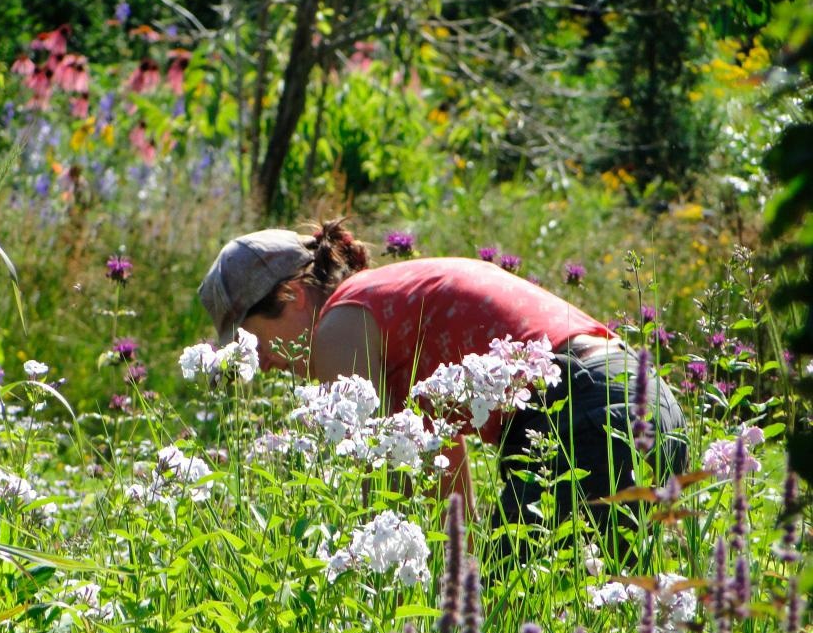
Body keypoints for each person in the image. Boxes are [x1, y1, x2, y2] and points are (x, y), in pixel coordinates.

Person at [198, 220, 687, 557]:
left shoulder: (338, 324)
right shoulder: (388, 311)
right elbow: (449, 513)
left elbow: (386, 498)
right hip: (647, 403)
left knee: (506, 618)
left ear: (292, 296)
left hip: (586, 416)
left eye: (251, 342)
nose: (262, 365)